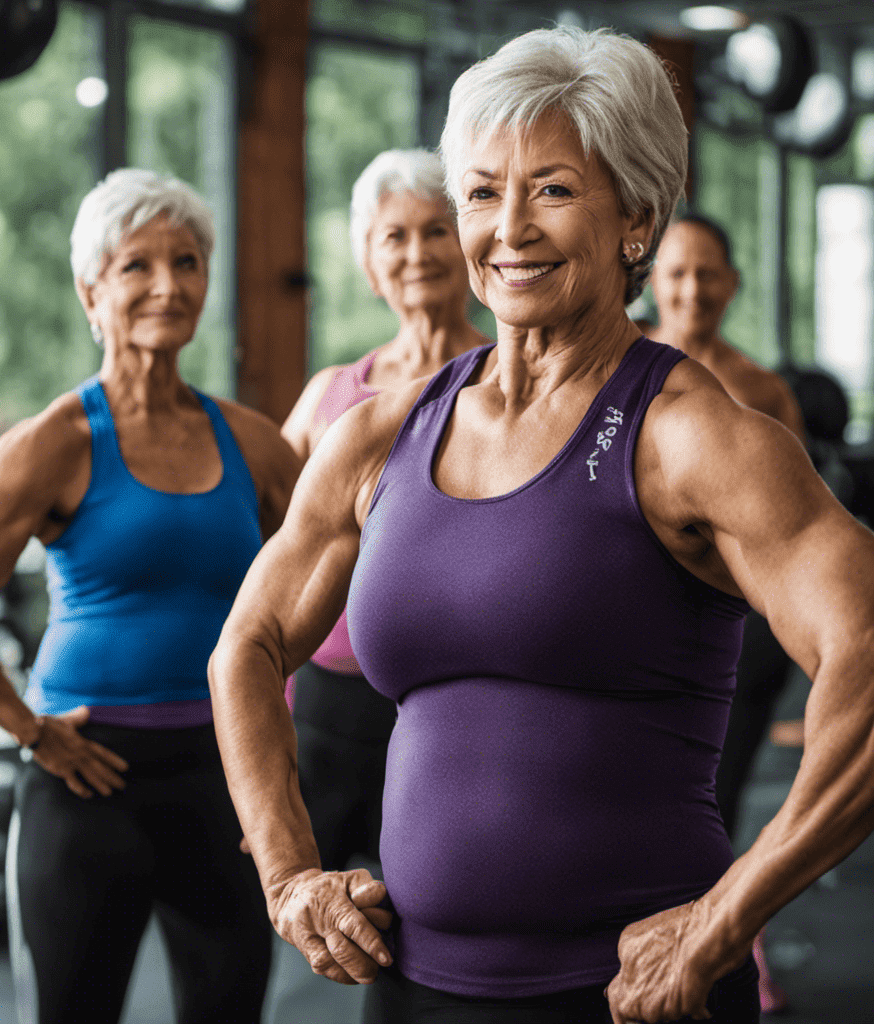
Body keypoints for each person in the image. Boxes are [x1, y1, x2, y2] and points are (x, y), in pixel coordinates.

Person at [207, 26, 874, 1024]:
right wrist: (290, 874)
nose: (507, 227)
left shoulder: (691, 437)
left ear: (634, 217)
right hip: (415, 986)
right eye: (480, 192)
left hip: (633, 997)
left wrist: (727, 915)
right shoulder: (379, 435)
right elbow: (246, 647)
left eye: (552, 190)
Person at [0, 168, 301, 1024]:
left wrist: (275, 726)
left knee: (229, 1009)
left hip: (220, 774)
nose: (169, 285)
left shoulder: (253, 443)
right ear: (92, 290)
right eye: (137, 266)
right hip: (87, 777)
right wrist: (28, 729)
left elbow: (324, 576)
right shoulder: (52, 442)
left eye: (188, 261)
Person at [266, 148, 489, 1024]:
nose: (417, 252)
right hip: (328, 703)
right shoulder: (330, 397)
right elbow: (271, 566)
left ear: (467, 244)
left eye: (437, 229)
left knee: (426, 932)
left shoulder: (509, 380)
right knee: (321, 923)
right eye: (394, 236)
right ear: (368, 259)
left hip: (440, 708)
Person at [648, 214, 809, 1014]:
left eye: (707, 274)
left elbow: (793, 534)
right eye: (677, 273)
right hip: (642, 627)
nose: (691, 290)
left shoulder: (760, 392)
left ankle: (733, 934)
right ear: (651, 277)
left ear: (732, 284)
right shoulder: (622, 372)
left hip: (740, 634)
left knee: (715, 795)